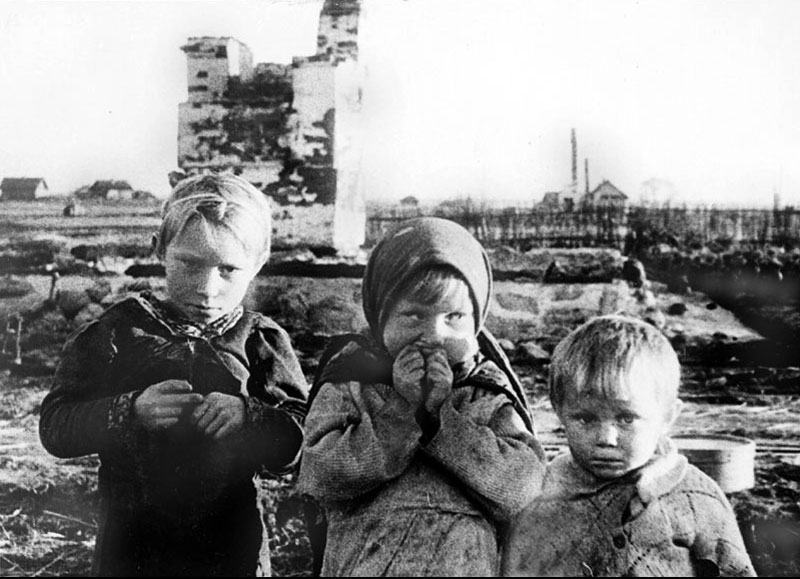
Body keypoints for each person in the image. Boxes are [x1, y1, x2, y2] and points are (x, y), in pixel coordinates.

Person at [39, 174, 308, 577]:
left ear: (258, 263)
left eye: (228, 269)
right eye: (189, 264)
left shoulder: (261, 341)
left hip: (232, 550)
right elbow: (56, 426)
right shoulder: (116, 332)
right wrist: (128, 411)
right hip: (131, 550)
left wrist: (249, 417)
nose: (207, 288)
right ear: (160, 249)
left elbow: (303, 442)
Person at [298, 217, 545, 576]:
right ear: (380, 314)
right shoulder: (350, 381)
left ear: (476, 322)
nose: (433, 334)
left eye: (454, 317)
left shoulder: (484, 391)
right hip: (365, 562)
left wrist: (441, 420)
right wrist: (402, 413)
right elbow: (320, 475)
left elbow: (522, 489)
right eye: (413, 315)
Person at [501, 315, 756, 577]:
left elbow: (736, 571)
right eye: (585, 418)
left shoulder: (695, 499)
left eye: (626, 418)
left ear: (667, 416)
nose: (606, 438)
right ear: (559, 411)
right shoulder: (541, 498)